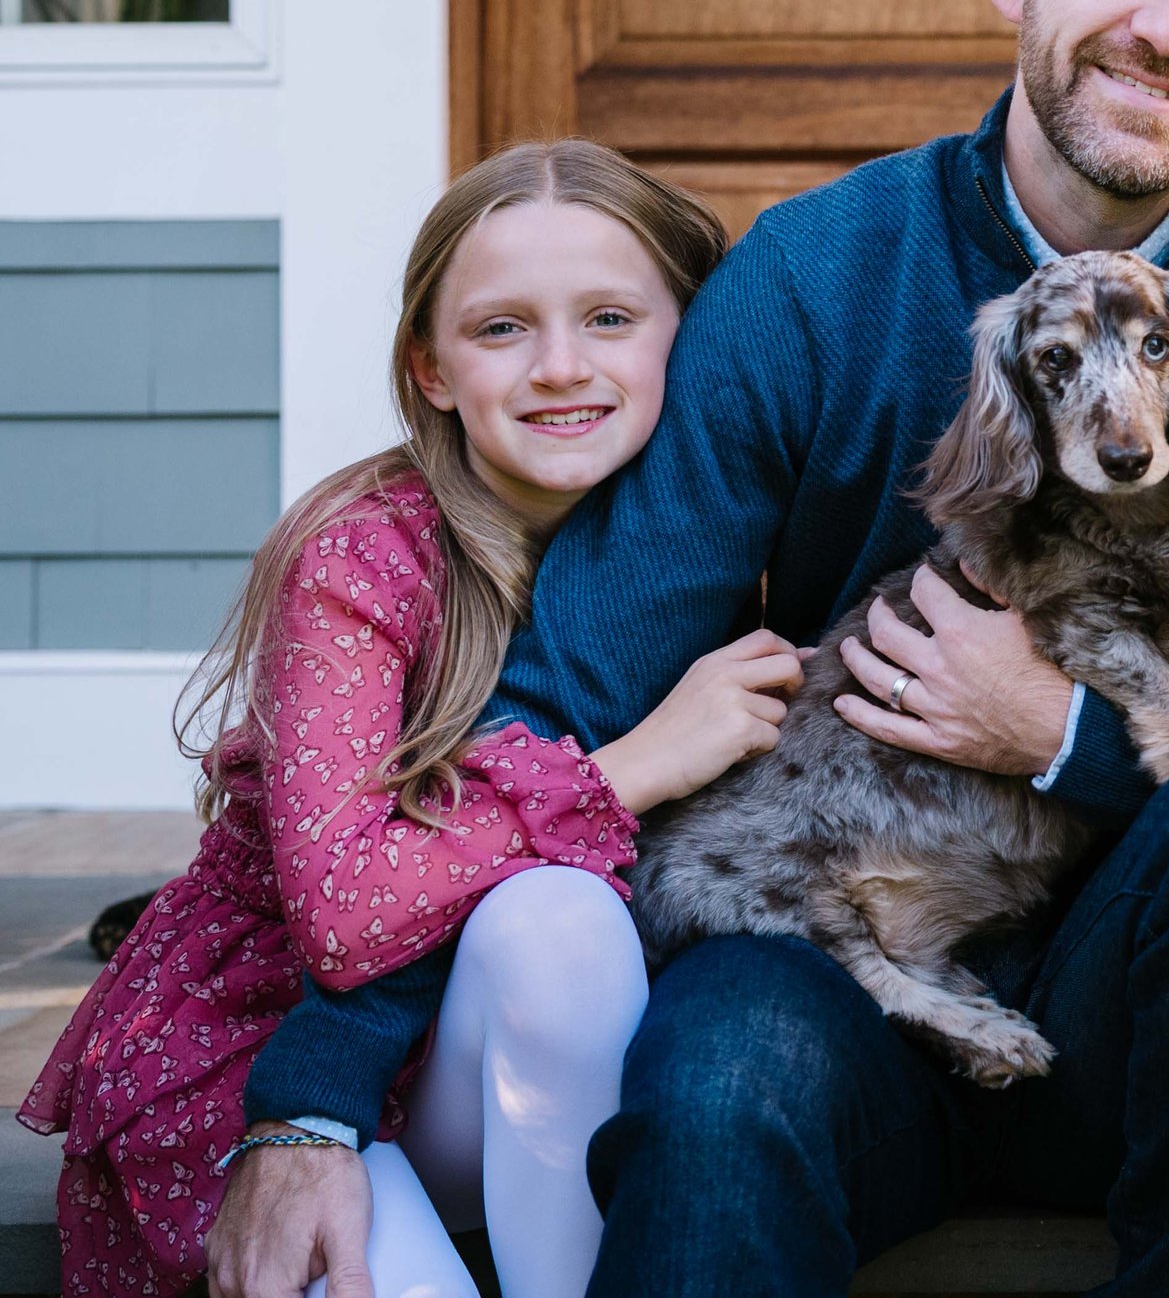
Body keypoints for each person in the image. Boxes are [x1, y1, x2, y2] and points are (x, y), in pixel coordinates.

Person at [230, 0, 1169, 1298]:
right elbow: (566, 705)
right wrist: (314, 1101)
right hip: (843, 966)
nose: (1167, 26)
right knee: (719, 1072)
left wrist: (1064, 733)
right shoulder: (817, 278)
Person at [16, 141, 808, 1297]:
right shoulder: (362, 555)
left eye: (608, 319)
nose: (557, 366)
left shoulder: (717, 542)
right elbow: (342, 914)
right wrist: (630, 767)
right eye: (501, 329)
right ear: (430, 366)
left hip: (506, 1058)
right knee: (554, 911)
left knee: (555, 922)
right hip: (272, 1049)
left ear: (692, 338)